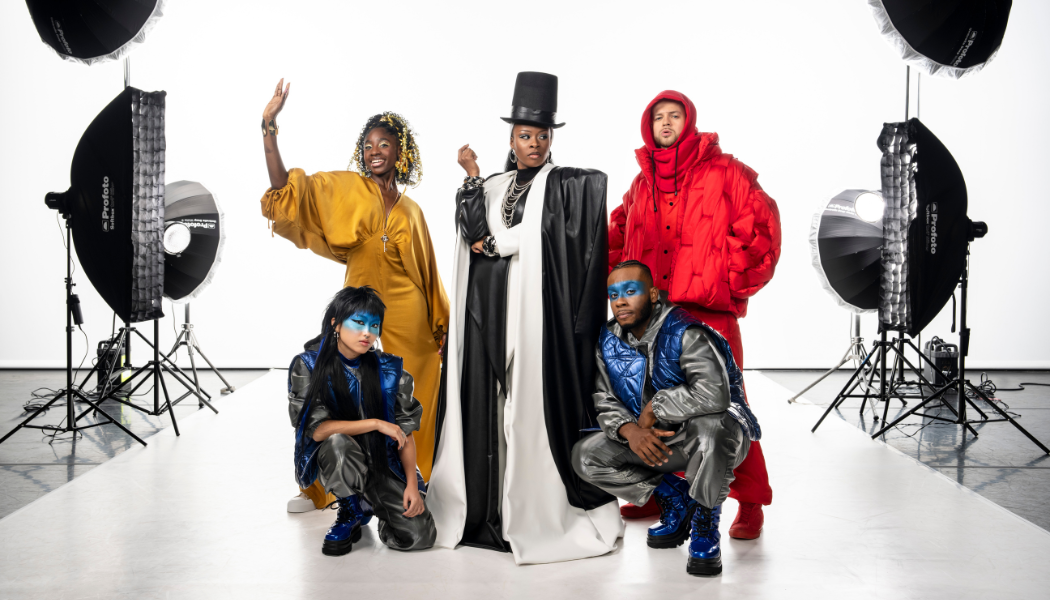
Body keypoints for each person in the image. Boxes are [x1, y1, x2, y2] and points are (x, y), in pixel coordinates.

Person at [426, 72, 623, 564]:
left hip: (535, 318)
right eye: (524, 136)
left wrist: (501, 243)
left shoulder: (564, 187)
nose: (534, 144)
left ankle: (530, 511)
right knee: (490, 407)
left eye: (542, 136)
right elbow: (472, 234)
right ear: (511, 140)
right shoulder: (494, 186)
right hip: (488, 315)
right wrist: (471, 174)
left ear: (551, 139)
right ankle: (488, 508)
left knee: (527, 408)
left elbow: (536, 235)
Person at [259, 79, 450, 512]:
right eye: (367, 145)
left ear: (401, 153)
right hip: (359, 301)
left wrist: (440, 323)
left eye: (384, 144)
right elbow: (289, 191)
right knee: (333, 383)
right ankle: (322, 485)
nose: (375, 151)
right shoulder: (345, 188)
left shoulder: (412, 211)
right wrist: (269, 127)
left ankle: (413, 481)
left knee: (415, 392)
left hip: (409, 307)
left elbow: (428, 271)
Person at [608, 91, 780, 539]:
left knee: (728, 410)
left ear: (690, 121)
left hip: (708, 317)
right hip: (655, 322)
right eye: (658, 117)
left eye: (674, 115)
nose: (666, 123)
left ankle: (751, 503)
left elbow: (761, 227)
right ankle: (662, 493)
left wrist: (724, 279)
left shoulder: (727, 172)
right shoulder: (641, 184)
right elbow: (617, 234)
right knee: (652, 409)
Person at [572, 261, 760, 576]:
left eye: (631, 291)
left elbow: (715, 394)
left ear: (654, 295)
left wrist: (655, 408)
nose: (620, 301)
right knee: (586, 456)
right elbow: (603, 397)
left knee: (712, 426)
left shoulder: (686, 332)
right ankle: (676, 499)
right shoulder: (607, 337)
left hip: (709, 437)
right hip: (654, 440)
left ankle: (704, 524)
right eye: (613, 294)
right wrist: (629, 430)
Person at [288, 286, 436, 555]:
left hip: (384, 463)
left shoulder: (391, 370)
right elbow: (317, 431)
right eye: (358, 322)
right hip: (341, 459)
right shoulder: (308, 366)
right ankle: (350, 509)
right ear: (335, 323)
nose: (367, 332)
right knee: (336, 443)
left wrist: (412, 486)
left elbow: (405, 432)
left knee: (419, 537)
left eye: (374, 325)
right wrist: (377, 423)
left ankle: (372, 506)